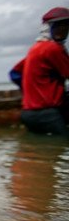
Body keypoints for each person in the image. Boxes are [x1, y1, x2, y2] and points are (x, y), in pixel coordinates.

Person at [10, 7, 69, 136]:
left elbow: (14, 73)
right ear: (49, 28)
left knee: (41, 153)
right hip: (48, 114)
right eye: (59, 25)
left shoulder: (35, 48)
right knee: (61, 147)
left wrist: (32, 92)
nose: (63, 29)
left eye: (66, 25)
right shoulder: (53, 48)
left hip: (28, 114)